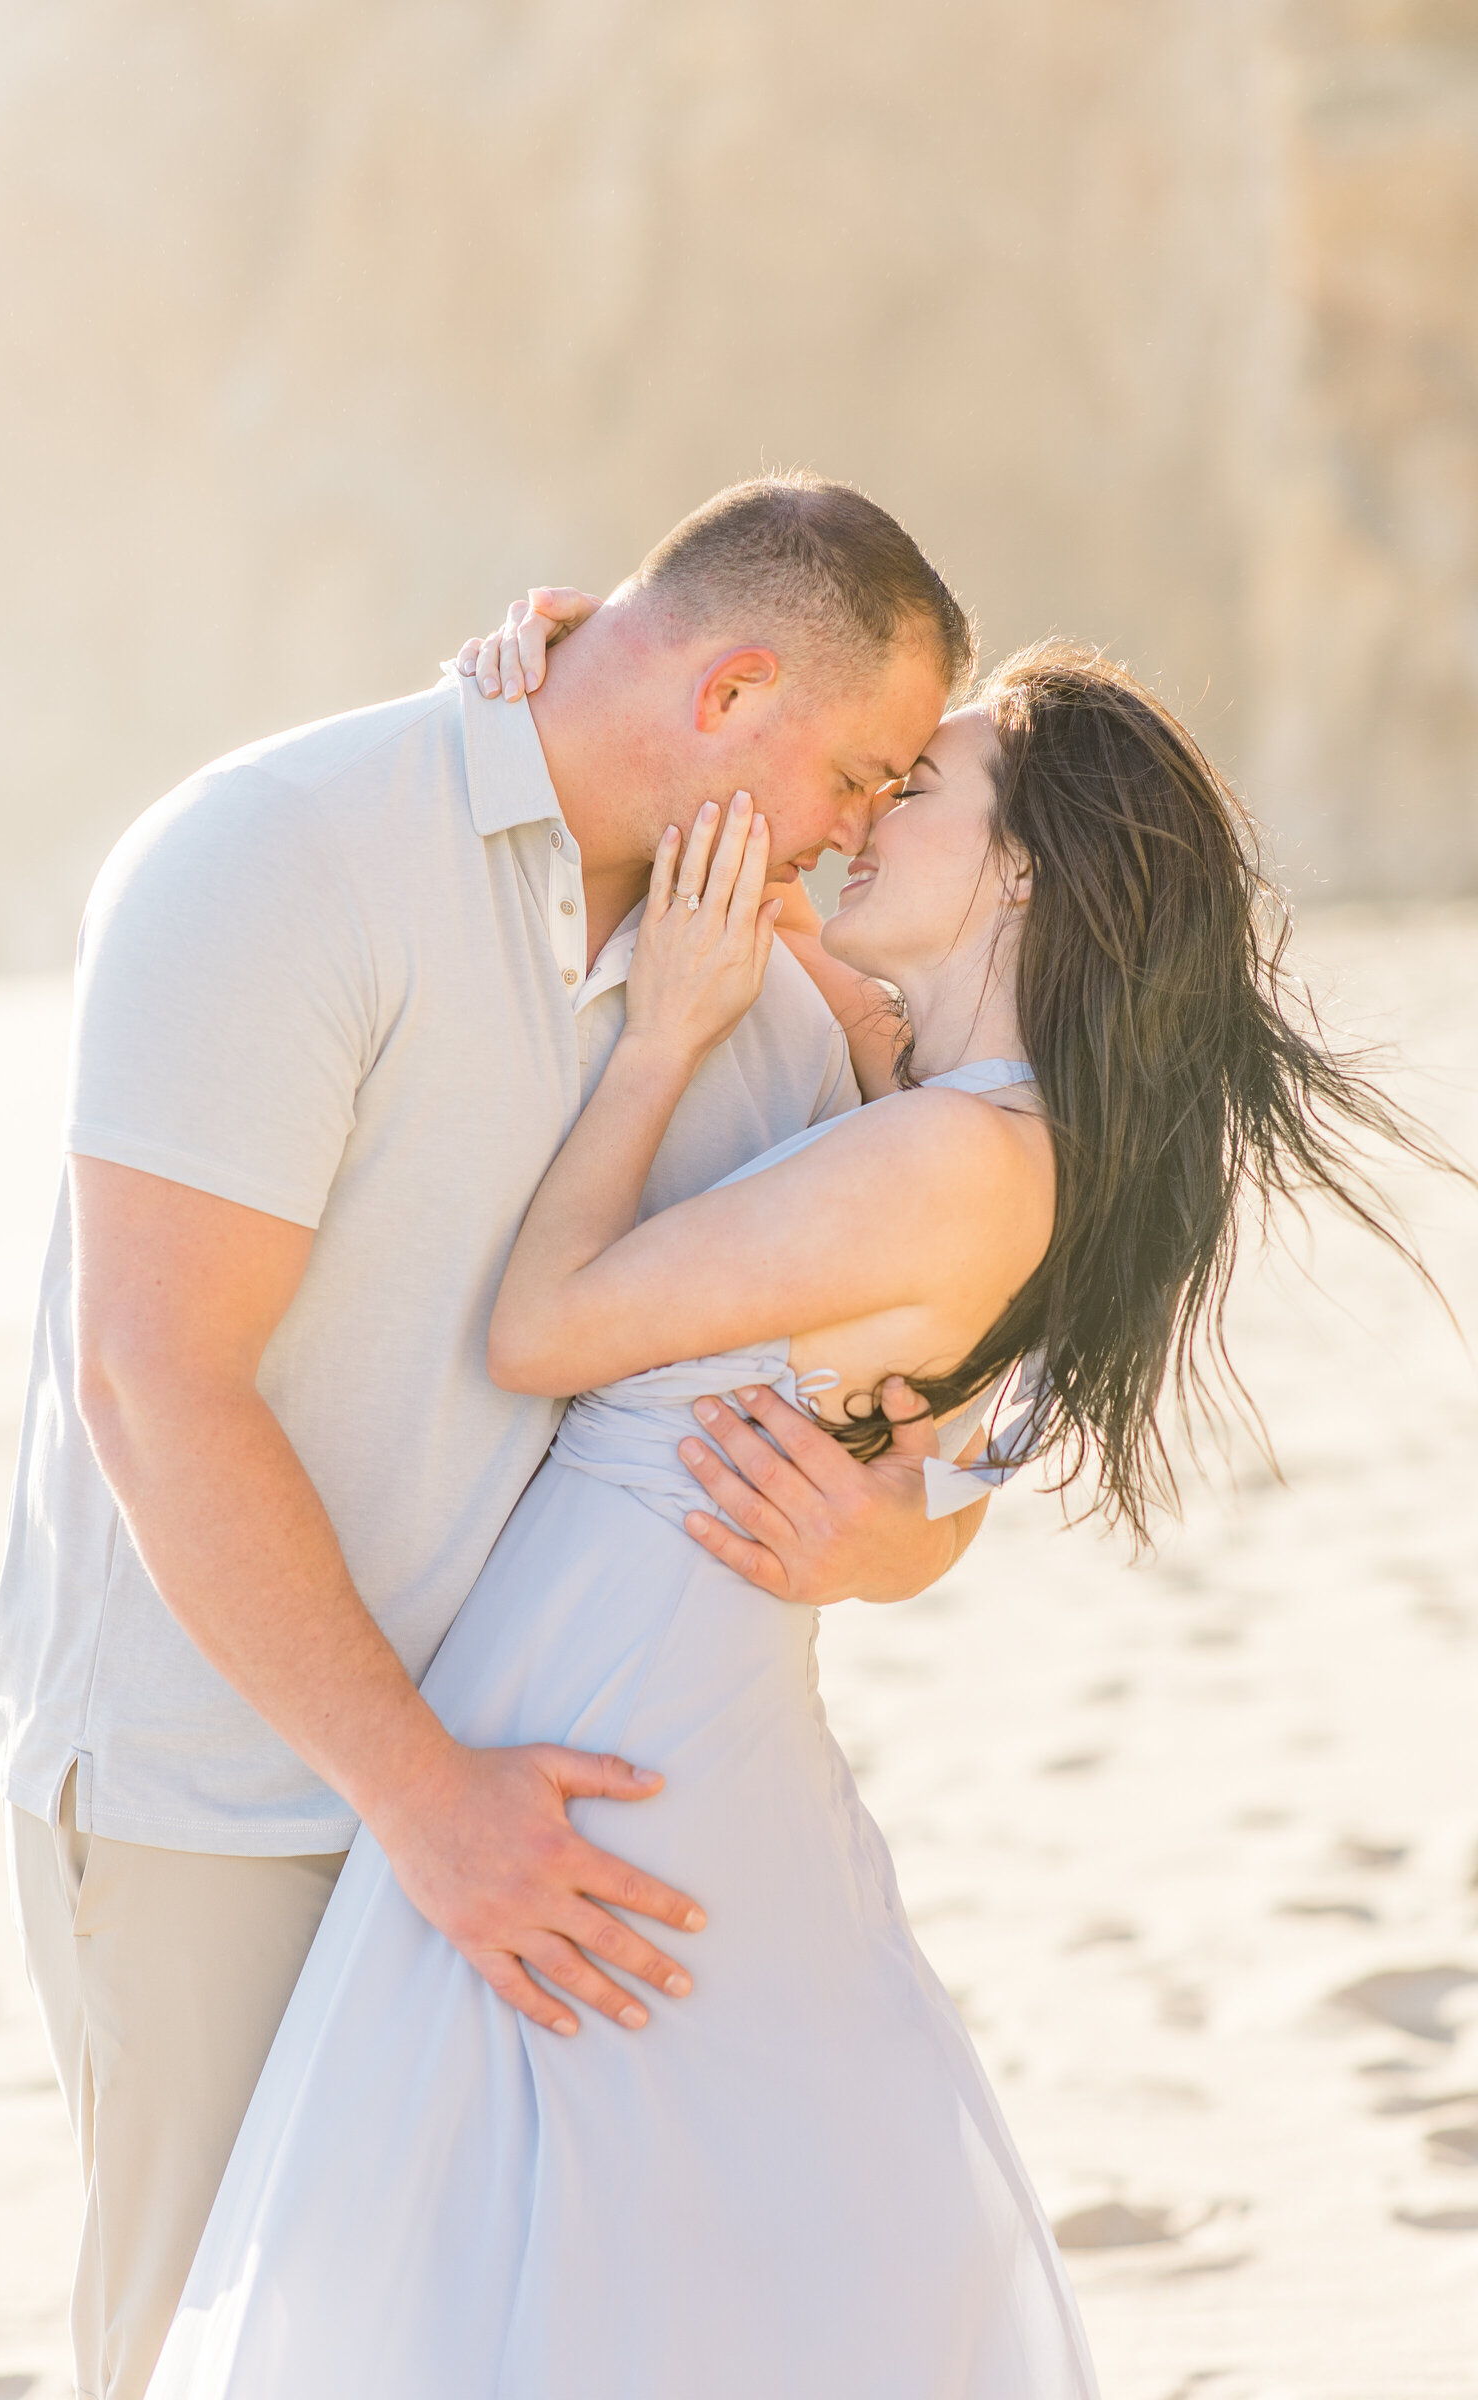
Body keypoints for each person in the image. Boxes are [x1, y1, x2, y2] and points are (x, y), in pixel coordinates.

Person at [145, 624, 1444, 2398]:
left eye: (923, 785)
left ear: (1023, 869)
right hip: (656, 1692)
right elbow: (954, 1433)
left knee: (560, 2257)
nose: (873, 809)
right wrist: (571, 647)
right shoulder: (974, 1125)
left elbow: (542, 1329)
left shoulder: (956, 1160)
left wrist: (664, 1040)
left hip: (620, 1711)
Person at [0, 474, 987, 2400]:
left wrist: (905, 1531)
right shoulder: (281, 858)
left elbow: (920, 1373)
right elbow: (153, 1380)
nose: (869, 830)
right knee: (213, 2354)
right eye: (861, 774)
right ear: (731, 696)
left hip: (556, 1822)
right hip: (236, 1797)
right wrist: (420, 1795)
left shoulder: (776, 987)